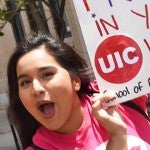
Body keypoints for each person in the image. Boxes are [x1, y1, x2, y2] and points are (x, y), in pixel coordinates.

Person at [6, 32, 149, 150]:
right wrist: (117, 136)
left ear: (75, 81)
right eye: (25, 82)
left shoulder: (115, 92)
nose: (36, 89)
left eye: (47, 74)